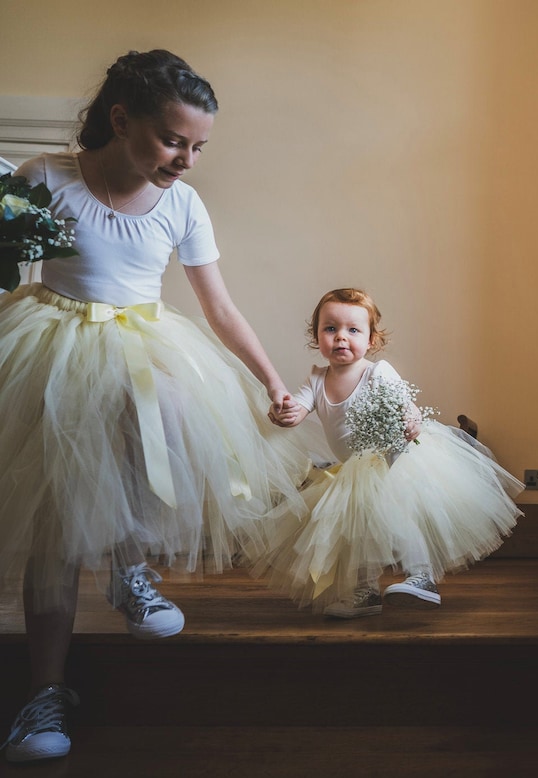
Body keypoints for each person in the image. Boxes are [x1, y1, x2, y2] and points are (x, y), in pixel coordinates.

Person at [0, 49, 312, 763]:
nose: (186, 160)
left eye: (198, 147)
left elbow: (220, 307)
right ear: (121, 121)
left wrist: (272, 381)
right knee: (53, 525)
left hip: (142, 341)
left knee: (166, 415)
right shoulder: (46, 177)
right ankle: (44, 692)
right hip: (52, 343)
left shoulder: (182, 205)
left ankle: (128, 568)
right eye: (173, 141)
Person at [263, 288, 524, 618]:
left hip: (396, 460)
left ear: (371, 340)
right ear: (316, 336)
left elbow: (405, 403)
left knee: (400, 514)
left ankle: (421, 576)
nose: (341, 337)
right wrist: (284, 413)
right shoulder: (316, 379)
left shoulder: (376, 372)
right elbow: (298, 410)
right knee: (356, 530)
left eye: (353, 330)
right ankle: (365, 592)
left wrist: (412, 416)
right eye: (330, 328)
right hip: (354, 471)